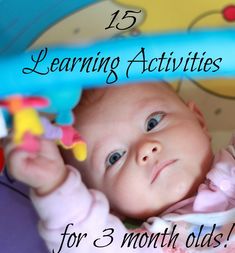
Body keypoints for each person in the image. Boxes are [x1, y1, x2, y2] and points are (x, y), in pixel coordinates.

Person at [5, 82, 235, 253]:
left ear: (199, 119)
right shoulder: (150, 245)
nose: (145, 149)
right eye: (114, 157)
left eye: (153, 122)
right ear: (110, 207)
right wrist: (54, 182)